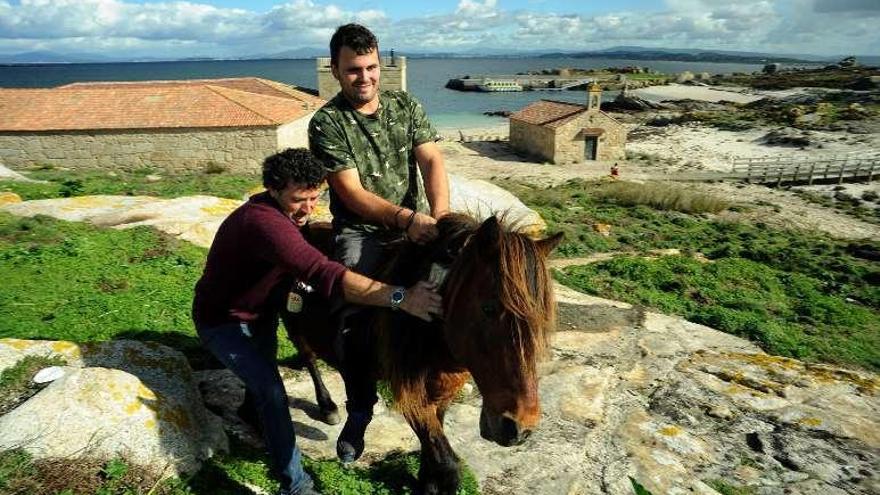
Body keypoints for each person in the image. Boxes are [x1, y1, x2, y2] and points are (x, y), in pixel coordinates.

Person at [192, 148, 442, 495]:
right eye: (298, 199)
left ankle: (252, 416)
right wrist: (402, 297)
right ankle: (296, 485)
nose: (308, 209)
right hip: (224, 323)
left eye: (315, 197)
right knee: (273, 393)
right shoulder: (264, 223)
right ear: (273, 190)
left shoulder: (286, 217)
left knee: (261, 376)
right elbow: (323, 273)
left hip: (260, 315)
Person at [308, 23, 450, 464]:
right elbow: (350, 193)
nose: (364, 78)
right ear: (335, 69)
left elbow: (431, 157)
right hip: (363, 231)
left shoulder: (406, 104)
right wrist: (406, 219)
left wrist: (441, 217)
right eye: (353, 69)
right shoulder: (327, 122)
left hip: (421, 224)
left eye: (371, 67)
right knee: (352, 310)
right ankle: (360, 409)